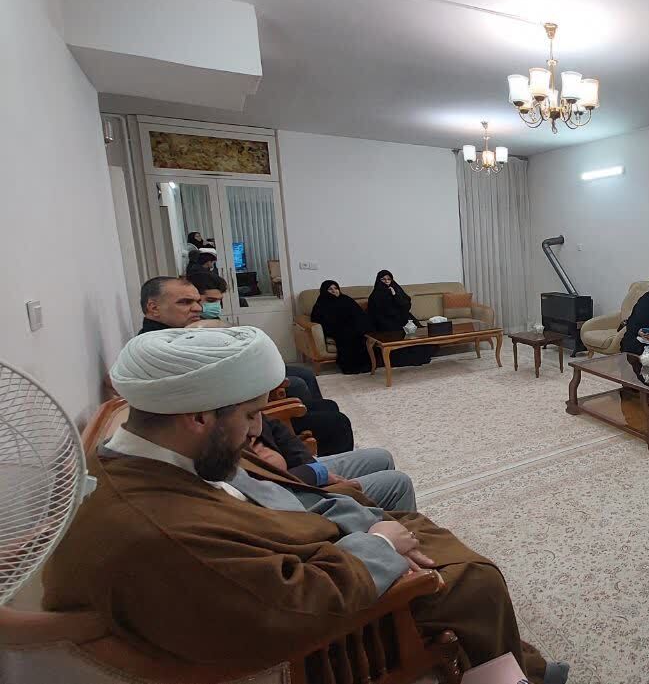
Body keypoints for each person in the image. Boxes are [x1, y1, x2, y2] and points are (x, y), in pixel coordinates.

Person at [42, 327, 567, 683]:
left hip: (319, 538)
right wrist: (380, 545)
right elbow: (287, 609)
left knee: (418, 529)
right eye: (250, 415)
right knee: (477, 581)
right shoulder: (157, 533)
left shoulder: (147, 458)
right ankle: (514, 672)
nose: (256, 431)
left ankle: (512, 660)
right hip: (339, 603)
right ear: (197, 417)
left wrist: (358, 519)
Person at [138, 277, 348, 453]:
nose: (197, 308)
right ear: (153, 307)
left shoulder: (178, 333)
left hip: (248, 412)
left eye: (197, 301)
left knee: (328, 405)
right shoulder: (162, 348)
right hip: (239, 425)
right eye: (185, 302)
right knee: (336, 421)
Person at [250, 416, 415, 512]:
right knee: (399, 483)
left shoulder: (242, 405)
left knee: (381, 457)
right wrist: (318, 477)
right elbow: (265, 482)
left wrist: (315, 470)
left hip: (298, 472)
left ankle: (381, 523)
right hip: (286, 497)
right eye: (250, 414)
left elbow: (275, 428)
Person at [367, 270, 432, 366]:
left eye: (389, 279)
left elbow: (406, 305)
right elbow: (375, 313)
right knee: (394, 331)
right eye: (383, 279)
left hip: (402, 317)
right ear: (378, 280)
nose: (386, 281)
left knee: (415, 329)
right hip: (385, 321)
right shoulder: (375, 295)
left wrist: (395, 295)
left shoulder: (396, 289)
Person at [311, 279, 373, 374]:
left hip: (352, 325)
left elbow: (358, 313)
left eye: (336, 288)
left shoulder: (345, 299)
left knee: (362, 332)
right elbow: (318, 319)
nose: (334, 291)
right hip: (335, 328)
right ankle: (351, 367)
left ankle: (367, 365)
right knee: (347, 335)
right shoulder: (321, 303)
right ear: (324, 291)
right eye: (330, 289)